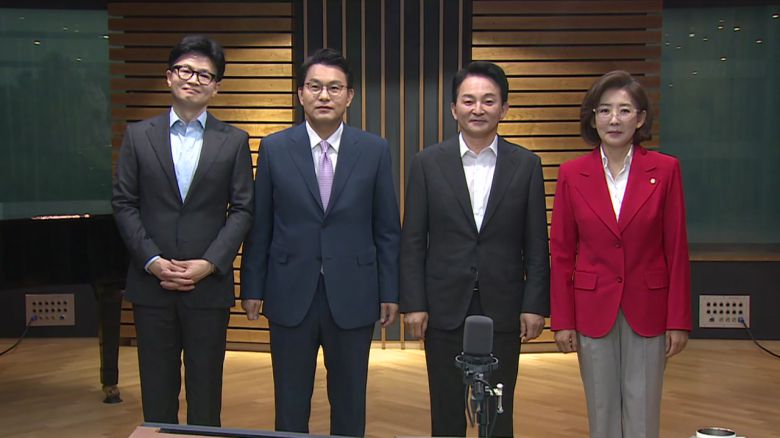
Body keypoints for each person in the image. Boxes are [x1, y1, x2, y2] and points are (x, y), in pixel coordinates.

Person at [240, 48, 400, 437]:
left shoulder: (374, 149)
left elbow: (386, 228)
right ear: (300, 94)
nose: (324, 95)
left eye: (334, 87)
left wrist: (390, 291)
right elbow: (261, 225)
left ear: (350, 96)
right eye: (315, 87)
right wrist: (252, 287)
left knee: (349, 401)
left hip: (354, 292)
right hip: (289, 290)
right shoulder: (275, 148)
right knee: (290, 401)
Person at [400, 61, 550, 437]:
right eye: (468, 101)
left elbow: (536, 244)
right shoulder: (427, 163)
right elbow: (413, 241)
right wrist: (414, 303)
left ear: (504, 108)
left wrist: (534, 305)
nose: (478, 109)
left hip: (504, 306)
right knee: (446, 411)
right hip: (444, 307)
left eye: (488, 100)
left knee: (499, 412)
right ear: (454, 108)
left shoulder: (526, 165)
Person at [112, 35, 254, 426]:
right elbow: (124, 203)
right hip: (151, 284)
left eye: (205, 75)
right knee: (157, 391)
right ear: (169, 76)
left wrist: (209, 263)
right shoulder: (138, 136)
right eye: (185, 70)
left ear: (216, 87)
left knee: (206, 392)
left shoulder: (234, 141)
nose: (193, 79)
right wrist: (152, 260)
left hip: (207, 286)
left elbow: (243, 209)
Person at [550, 70, 691, 438]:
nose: (614, 119)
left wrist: (678, 320)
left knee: (643, 414)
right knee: (602, 412)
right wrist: (562, 319)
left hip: (649, 307)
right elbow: (562, 252)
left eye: (625, 110)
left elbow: (676, 249)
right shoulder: (571, 174)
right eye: (605, 110)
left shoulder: (666, 170)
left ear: (640, 118)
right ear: (593, 118)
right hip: (592, 307)